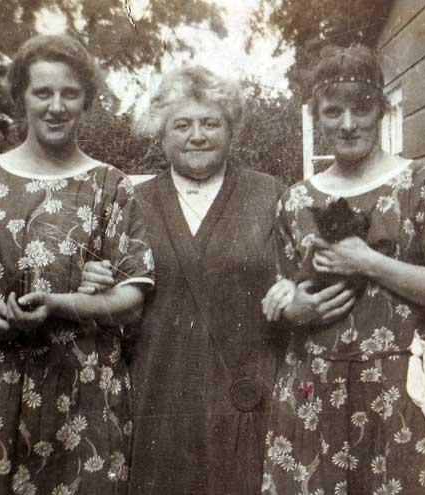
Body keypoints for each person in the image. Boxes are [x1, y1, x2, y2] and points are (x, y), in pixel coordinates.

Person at [80, 66, 355, 494]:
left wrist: (299, 296)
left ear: (232, 129)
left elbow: (311, 274)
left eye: (210, 123)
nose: (197, 135)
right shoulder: (131, 203)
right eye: (182, 124)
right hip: (160, 393)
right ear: (161, 132)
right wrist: (96, 281)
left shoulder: (272, 196)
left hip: (250, 394)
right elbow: (113, 303)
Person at [0, 35, 154, 495]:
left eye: (69, 93)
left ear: (86, 100)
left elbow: (131, 297)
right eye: (42, 92)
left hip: (84, 388)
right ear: (21, 97)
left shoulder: (111, 185)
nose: (56, 106)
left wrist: (60, 303)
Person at [261, 44, 425, 495]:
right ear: (316, 115)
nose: (347, 124)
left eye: (360, 109)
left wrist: (369, 261)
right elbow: (284, 290)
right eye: (332, 111)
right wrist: (291, 307)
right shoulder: (295, 200)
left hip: (401, 388)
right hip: (313, 391)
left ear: (380, 109)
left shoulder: (423, 183)